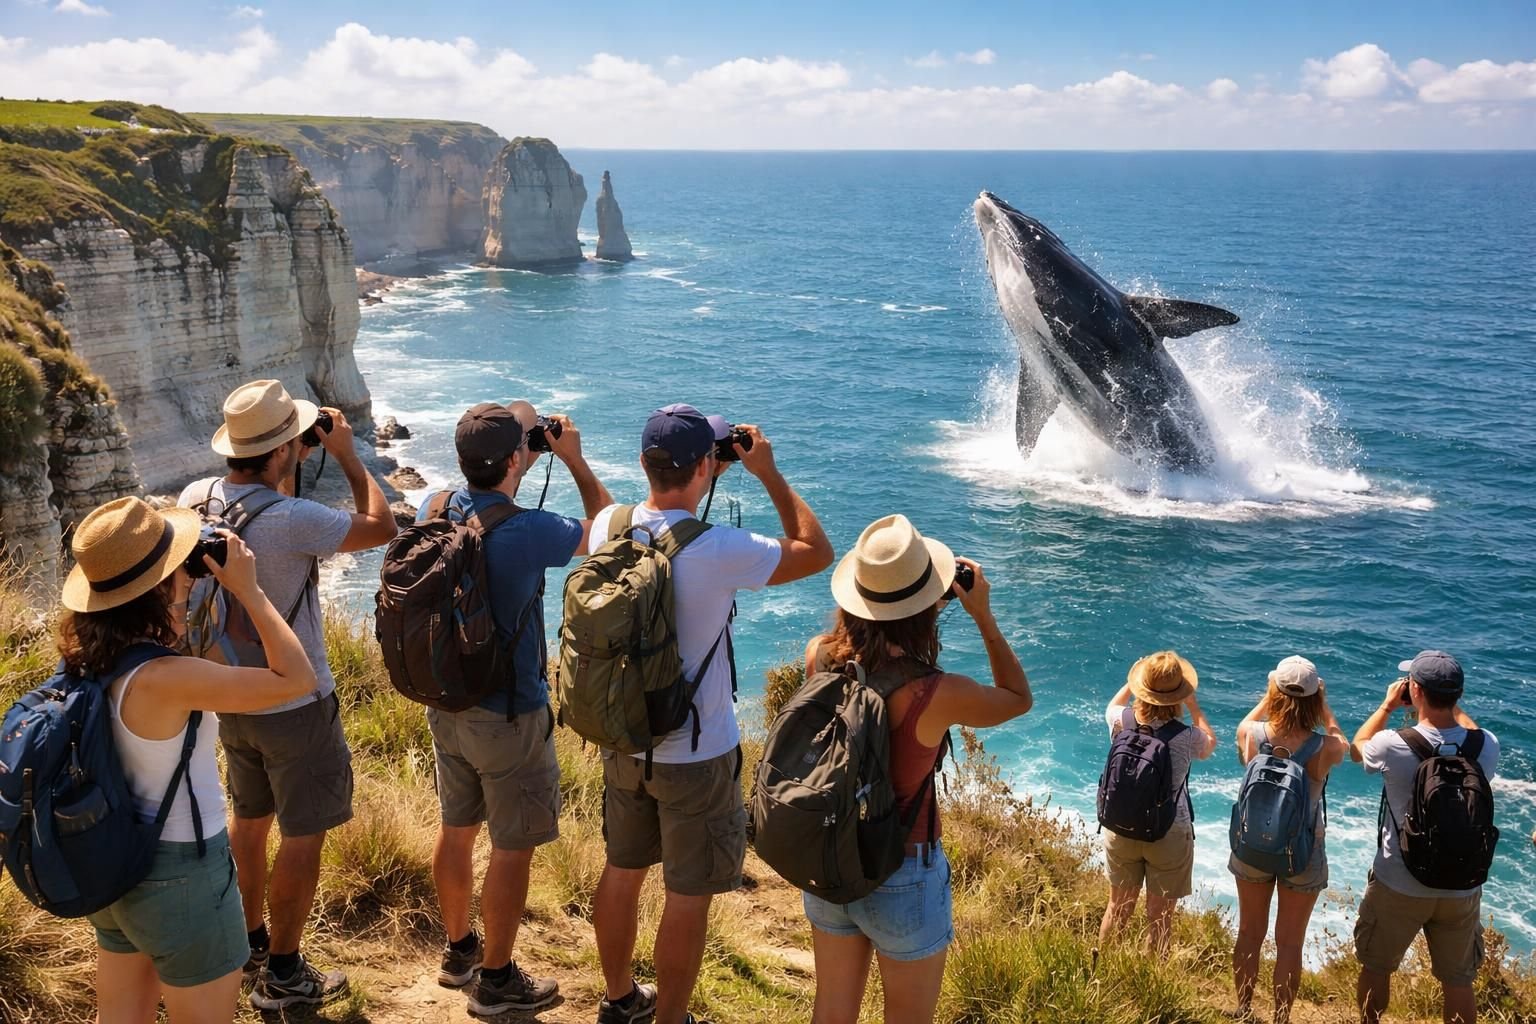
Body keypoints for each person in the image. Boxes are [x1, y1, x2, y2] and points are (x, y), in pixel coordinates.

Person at [590, 404, 833, 1024]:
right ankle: (670, 1018)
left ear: (645, 461)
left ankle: (618, 1000)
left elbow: (625, 509)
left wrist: (709, 467)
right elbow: (815, 551)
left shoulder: (607, 528)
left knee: (621, 872)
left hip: (622, 737)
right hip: (696, 751)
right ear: (706, 466)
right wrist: (766, 471)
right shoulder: (722, 548)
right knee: (687, 894)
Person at [177, 379, 396, 1008]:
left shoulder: (199, 497)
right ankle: (285, 972)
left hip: (230, 690)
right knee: (303, 834)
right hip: (296, 702)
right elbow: (379, 526)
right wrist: (350, 456)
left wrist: (292, 462)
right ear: (283, 451)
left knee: (250, 820)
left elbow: (262, 509)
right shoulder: (297, 520)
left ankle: (248, 943)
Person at [60, 497, 318, 1023]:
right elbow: (297, 678)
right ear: (157, 588)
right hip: (181, 872)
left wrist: (180, 595)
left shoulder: (86, 664)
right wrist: (248, 588)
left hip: (112, 862)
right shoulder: (168, 679)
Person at [799, 514, 1034, 1024]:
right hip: (902, 870)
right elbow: (1018, 699)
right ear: (925, 608)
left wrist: (916, 605)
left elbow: (871, 656)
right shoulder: (937, 693)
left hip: (829, 858)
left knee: (831, 1013)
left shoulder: (819, 657)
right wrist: (982, 617)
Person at [419, 402, 612, 1017]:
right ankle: (497, 983)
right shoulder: (530, 531)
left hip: (446, 704)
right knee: (511, 847)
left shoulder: (436, 506)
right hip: (510, 713)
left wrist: (517, 457)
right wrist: (573, 458)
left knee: (456, 828)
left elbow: (479, 496)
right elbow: (607, 530)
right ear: (513, 459)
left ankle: (460, 953)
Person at [1351, 650, 1499, 1024]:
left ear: (1413, 689)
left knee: (1377, 966)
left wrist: (1387, 706)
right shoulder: (1486, 746)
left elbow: (1357, 749)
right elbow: (1471, 732)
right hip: (1461, 885)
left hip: (1399, 880)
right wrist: (1454, 709)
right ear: (1459, 694)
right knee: (1459, 982)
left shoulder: (1393, 743)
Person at [1229, 656, 1349, 1024]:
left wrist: (1270, 695)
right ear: (1315, 697)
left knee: (1249, 932)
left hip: (1252, 846)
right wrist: (1324, 705)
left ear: (1273, 691)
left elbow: (1249, 722)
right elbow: (1343, 741)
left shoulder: (1251, 733)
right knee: (1290, 943)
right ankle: (1281, 1018)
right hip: (1303, 852)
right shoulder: (1325, 747)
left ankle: (1244, 1011)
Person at [1097, 650, 1218, 953]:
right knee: (1161, 917)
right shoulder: (1188, 737)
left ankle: (1101, 976)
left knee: (1117, 907)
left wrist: (1134, 674)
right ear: (1180, 692)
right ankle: (1152, 988)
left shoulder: (1121, 720)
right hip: (1168, 831)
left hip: (1120, 824)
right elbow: (1209, 743)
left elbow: (1113, 705)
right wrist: (1193, 705)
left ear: (1142, 687)